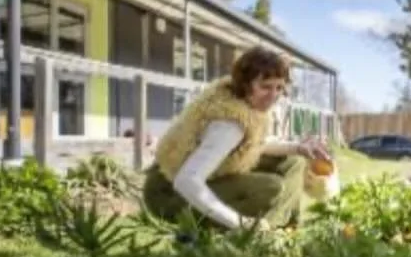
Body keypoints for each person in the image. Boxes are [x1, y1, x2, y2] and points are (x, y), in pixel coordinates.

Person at [142, 46, 332, 232]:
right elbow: (186, 181)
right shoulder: (229, 124)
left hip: (199, 175)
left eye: (279, 87)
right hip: (167, 194)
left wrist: (298, 147)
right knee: (271, 188)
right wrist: (239, 222)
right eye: (265, 87)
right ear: (246, 84)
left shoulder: (244, 102)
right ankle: (263, 232)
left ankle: (280, 226)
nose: (273, 96)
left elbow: (256, 144)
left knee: (293, 162)